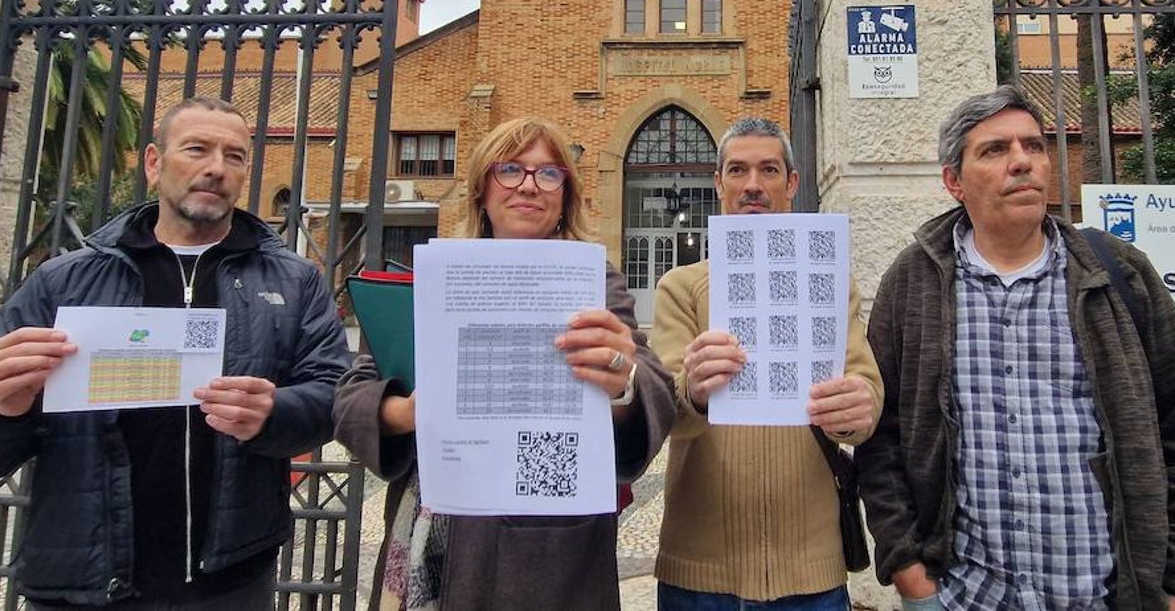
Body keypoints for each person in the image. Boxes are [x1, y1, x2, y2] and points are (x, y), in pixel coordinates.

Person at [0, 97, 351, 609]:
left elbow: (334, 396)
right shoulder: (64, 281)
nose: (216, 168)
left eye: (235, 156)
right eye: (196, 149)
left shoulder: (294, 281)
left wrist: (275, 412)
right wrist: (0, 405)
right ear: (153, 163)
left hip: (231, 578)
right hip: (83, 577)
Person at [333, 116, 676, 611]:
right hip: (436, 535)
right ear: (481, 191)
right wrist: (408, 413)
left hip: (552, 555)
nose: (530, 186)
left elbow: (655, 387)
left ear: (565, 196)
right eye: (510, 170)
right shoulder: (437, 276)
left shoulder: (595, 282)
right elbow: (352, 393)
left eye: (549, 173)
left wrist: (624, 382)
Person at [855, 85, 1175, 610]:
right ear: (953, 181)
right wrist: (911, 574)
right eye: (995, 150)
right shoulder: (913, 283)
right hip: (964, 597)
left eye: (1034, 145)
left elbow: (1171, 423)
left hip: (1103, 595)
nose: (1022, 162)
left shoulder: (1119, 274)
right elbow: (883, 439)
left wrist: (1165, 581)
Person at [649, 117, 884, 610]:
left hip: (811, 572)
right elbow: (663, 409)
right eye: (737, 170)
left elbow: (863, 382)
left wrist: (861, 406)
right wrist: (692, 388)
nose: (752, 185)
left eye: (768, 170)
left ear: (791, 183)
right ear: (718, 183)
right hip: (700, 574)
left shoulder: (831, 280)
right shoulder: (680, 286)